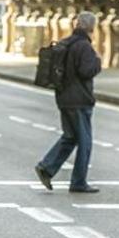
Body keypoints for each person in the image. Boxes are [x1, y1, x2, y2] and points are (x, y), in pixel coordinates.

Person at [33, 11, 102, 194]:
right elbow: (86, 71)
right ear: (91, 27)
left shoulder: (65, 43)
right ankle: (78, 182)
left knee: (70, 137)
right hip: (79, 100)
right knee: (85, 142)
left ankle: (46, 168)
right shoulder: (84, 47)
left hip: (63, 97)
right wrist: (98, 62)